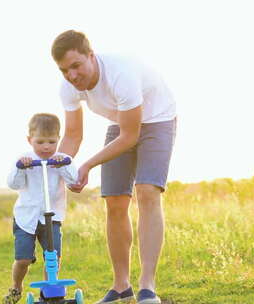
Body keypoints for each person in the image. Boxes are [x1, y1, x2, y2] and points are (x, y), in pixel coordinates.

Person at [51, 30, 177, 304]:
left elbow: (130, 137)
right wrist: (57, 170)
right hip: (121, 125)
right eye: (64, 71)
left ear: (91, 56)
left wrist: (85, 166)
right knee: (114, 201)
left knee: (146, 191)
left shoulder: (122, 73)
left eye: (76, 66)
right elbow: (73, 135)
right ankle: (121, 286)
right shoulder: (69, 88)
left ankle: (147, 286)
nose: (72, 76)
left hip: (158, 120)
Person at [3, 113, 78, 304]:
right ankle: (16, 287)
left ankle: (48, 291)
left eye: (52, 142)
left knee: (53, 256)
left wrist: (64, 164)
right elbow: (13, 184)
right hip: (26, 218)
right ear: (30, 140)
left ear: (58, 140)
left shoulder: (62, 159)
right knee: (23, 260)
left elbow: (73, 180)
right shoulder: (24, 159)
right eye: (40, 142)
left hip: (52, 217)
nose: (46, 147)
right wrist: (21, 168)